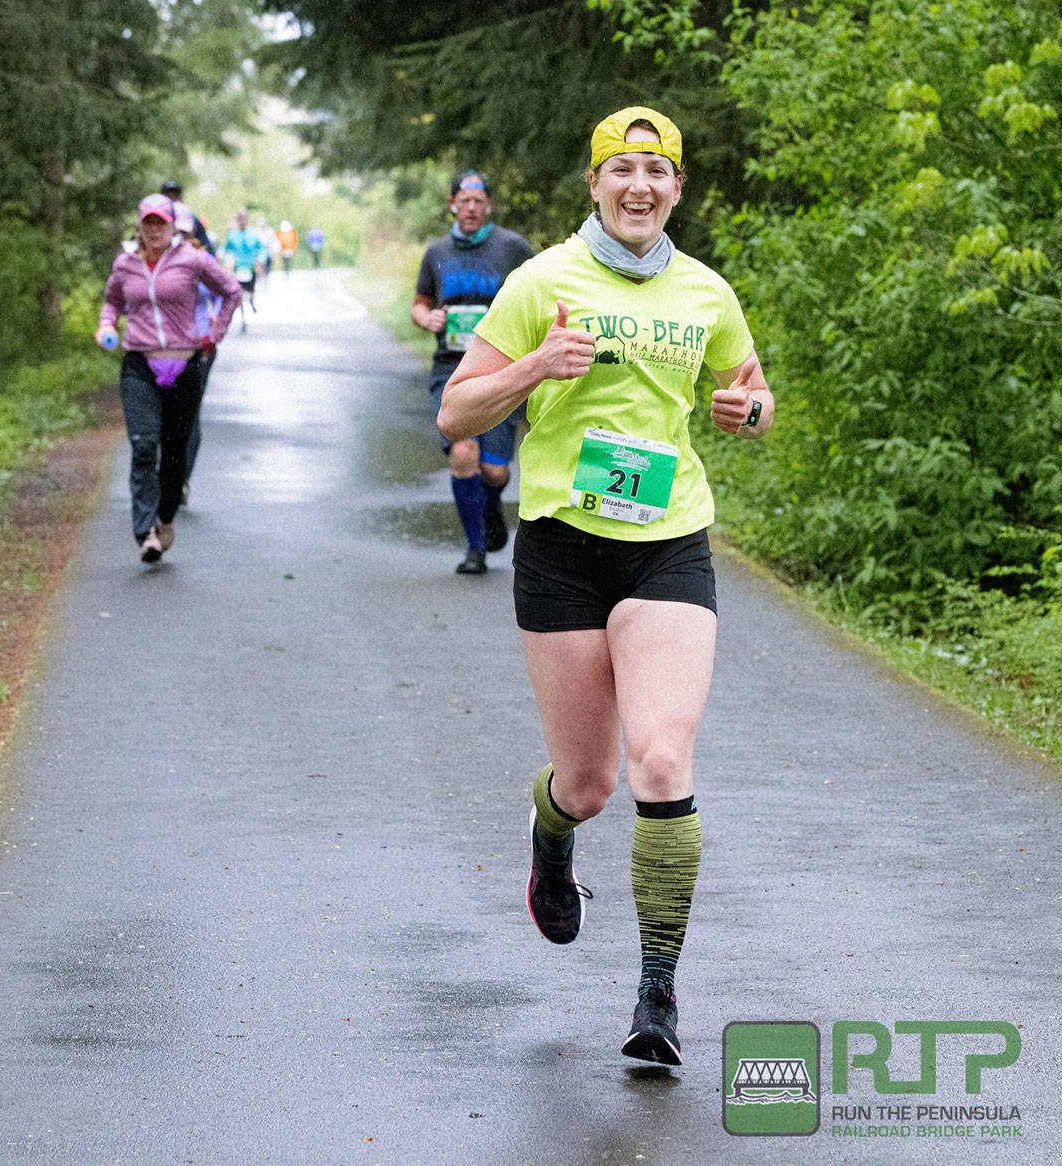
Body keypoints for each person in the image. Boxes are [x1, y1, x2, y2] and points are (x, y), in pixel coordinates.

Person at [438, 107, 774, 1065]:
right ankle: (551, 833)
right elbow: (456, 410)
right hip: (561, 546)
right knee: (589, 786)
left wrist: (748, 411)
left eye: (656, 173)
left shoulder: (707, 291)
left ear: (677, 189)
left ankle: (656, 997)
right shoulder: (541, 279)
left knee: (661, 763)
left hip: (667, 541)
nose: (639, 187)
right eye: (620, 169)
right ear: (594, 184)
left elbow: (752, 391)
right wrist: (538, 366)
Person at [97, 193, 242, 563]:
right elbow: (112, 301)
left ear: (172, 225)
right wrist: (106, 324)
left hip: (184, 366)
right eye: (149, 223)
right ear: (140, 227)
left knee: (174, 454)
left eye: (162, 222)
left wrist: (215, 333)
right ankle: (145, 531)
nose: (155, 229)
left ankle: (164, 519)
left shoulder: (192, 260)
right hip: (140, 366)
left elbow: (231, 291)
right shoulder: (125, 264)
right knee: (144, 445)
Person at [413, 170, 535, 574]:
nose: (470, 207)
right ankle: (475, 549)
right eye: (463, 200)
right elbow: (420, 302)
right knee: (463, 450)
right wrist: (426, 318)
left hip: (500, 367)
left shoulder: (513, 248)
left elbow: (539, 294)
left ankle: (491, 503)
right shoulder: (437, 252)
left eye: (478, 201)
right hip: (450, 366)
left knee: (495, 471)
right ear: (452, 204)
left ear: (489, 206)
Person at [172, 201, 222, 505]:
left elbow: (224, 293)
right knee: (165, 416)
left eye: (182, 229)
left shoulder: (203, 261)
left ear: (192, 229)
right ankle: (167, 475)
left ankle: (182, 479)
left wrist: (215, 320)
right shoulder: (153, 263)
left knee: (190, 416)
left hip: (199, 349)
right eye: (171, 229)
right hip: (161, 350)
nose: (176, 235)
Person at [222, 210, 264, 325]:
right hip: (237, 267)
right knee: (239, 294)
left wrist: (259, 263)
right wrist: (227, 266)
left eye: (244, 218)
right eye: (240, 218)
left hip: (250, 267)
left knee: (250, 294)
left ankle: (251, 302)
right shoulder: (232, 234)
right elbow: (227, 251)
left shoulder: (253, 233)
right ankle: (242, 316)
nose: (242, 220)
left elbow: (260, 250)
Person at [160, 178, 213, 251]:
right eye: (168, 196)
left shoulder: (193, 219)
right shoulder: (156, 219)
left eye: (175, 195)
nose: (171, 199)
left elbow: (207, 249)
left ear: (181, 197)